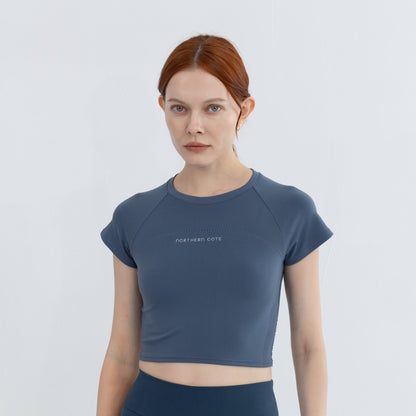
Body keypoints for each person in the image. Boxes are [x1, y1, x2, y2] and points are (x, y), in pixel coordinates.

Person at [97, 34, 334, 416]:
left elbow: (308, 346)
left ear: (244, 109)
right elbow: (122, 353)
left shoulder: (289, 210)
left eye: (212, 108)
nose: (194, 126)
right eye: (179, 108)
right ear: (162, 108)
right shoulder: (135, 216)